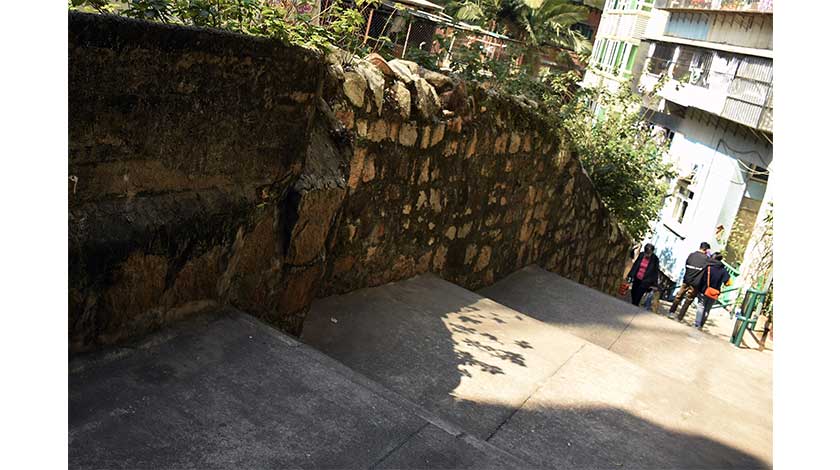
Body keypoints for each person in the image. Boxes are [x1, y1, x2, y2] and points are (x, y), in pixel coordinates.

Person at [668, 242, 711, 321]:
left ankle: (671, 311)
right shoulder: (707, 259)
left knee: (679, 295)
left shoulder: (692, 255)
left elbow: (687, 264)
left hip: (686, 279)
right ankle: (679, 317)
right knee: (689, 299)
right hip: (696, 282)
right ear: (706, 250)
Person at [694, 253, 732, 329]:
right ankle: (701, 325)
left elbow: (701, 278)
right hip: (714, 293)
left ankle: (697, 324)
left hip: (704, 290)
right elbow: (728, 283)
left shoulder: (708, 267)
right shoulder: (724, 270)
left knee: (701, 306)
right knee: (707, 309)